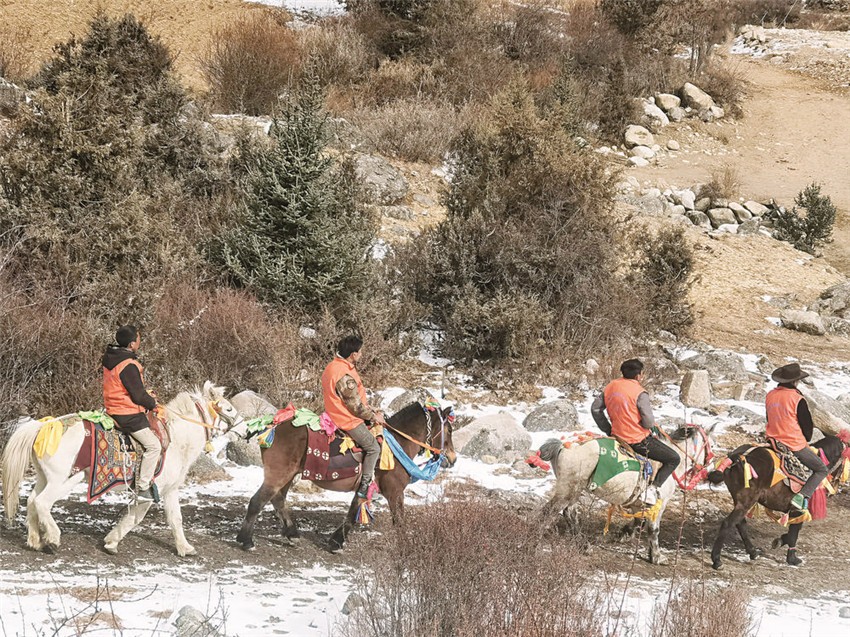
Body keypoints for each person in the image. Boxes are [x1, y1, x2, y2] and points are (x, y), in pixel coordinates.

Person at [591, 358, 680, 504]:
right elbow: (648, 422)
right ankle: (653, 489)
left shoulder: (611, 386)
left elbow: (595, 409)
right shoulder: (640, 393)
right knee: (674, 458)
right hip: (637, 440)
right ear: (639, 375)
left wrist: (608, 429)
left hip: (617, 436)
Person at [321, 335, 386, 501]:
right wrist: (374, 417)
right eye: (360, 352)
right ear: (353, 354)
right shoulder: (343, 374)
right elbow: (355, 407)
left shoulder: (333, 366)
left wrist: (369, 408)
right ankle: (365, 486)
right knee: (373, 447)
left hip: (335, 412)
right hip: (346, 419)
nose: (362, 354)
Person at [103, 325, 161, 502]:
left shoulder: (112, 359)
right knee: (154, 446)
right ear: (131, 344)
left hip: (113, 408)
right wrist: (152, 404)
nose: (140, 342)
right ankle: (143, 487)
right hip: (127, 414)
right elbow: (138, 395)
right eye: (138, 339)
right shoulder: (128, 365)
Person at [765, 363, 828, 511]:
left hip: (772, 440)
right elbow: (807, 426)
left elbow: (768, 417)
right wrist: (806, 438)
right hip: (792, 443)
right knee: (821, 469)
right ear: (795, 381)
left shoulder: (770, 395)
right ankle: (802, 496)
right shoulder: (797, 398)